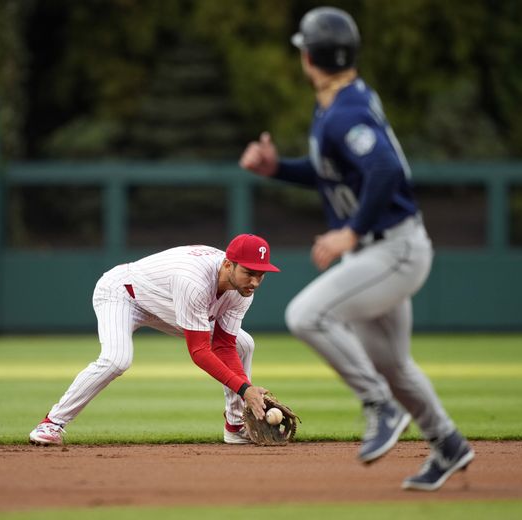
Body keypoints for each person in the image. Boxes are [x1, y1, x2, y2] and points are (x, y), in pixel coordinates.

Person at [238, 6, 473, 491]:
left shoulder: (343, 110)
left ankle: (378, 404)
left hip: (392, 248)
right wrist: (277, 168)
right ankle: (447, 443)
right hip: (383, 250)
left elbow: (385, 170)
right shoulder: (344, 102)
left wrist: (350, 231)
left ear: (309, 56)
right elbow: (334, 170)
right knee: (393, 363)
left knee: (307, 315)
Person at [28, 234, 280, 446]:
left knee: (243, 344)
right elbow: (200, 351)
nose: (256, 282)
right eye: (249, 273)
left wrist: (244, 390)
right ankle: (52, 423)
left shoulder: (243, 290)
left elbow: (224, 345)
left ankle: (235, 427)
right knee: (117, 360)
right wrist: (245, 388)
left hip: (166, 303)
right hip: (123, 294)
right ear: (228, 264)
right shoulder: (194, 280)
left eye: (262, 274)